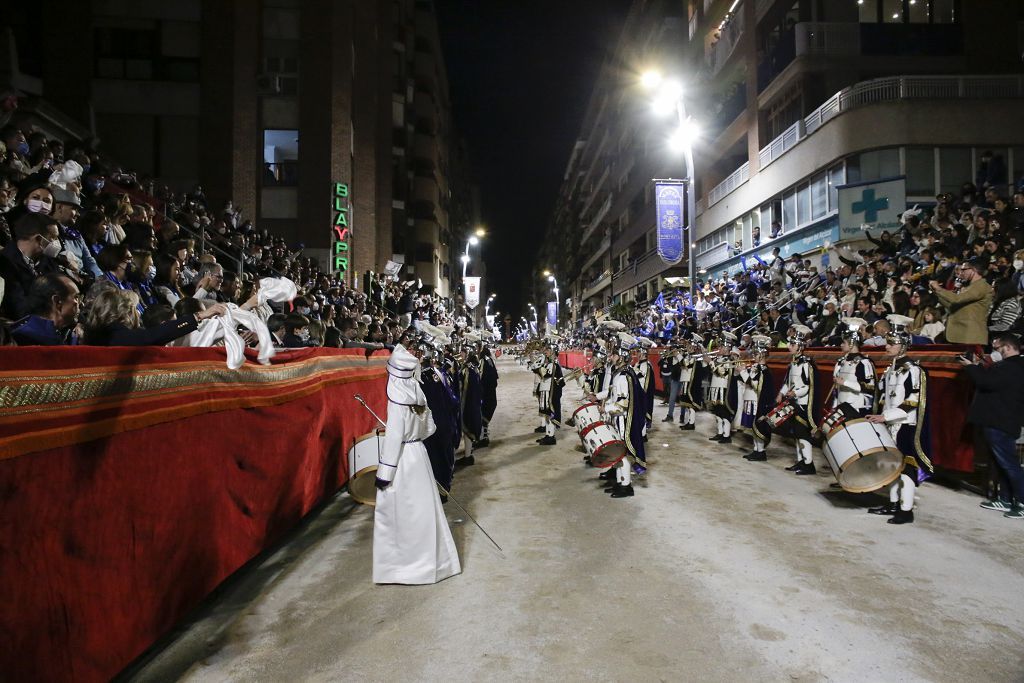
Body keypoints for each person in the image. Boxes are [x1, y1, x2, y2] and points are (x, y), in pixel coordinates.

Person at [373, 342, 461, 585]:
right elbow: (429, 428)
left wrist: (384, 473)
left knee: (400, 513)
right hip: (419, 453)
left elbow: (393, 439)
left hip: (402, 459)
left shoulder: (396, 400)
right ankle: (435, 563)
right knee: (425, 511)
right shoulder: (418, 394)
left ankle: (405, 568)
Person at [865, 315, 933, 525]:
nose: (887, 346)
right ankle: (893, 503)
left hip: (905, 425)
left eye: (892, 343)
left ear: (903, 345)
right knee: (891, 467)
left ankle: (906, 509)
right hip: (889, 424)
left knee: (907, 469)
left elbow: (913, 401)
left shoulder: (913, 370)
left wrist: (885, 416)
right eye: (888, 342)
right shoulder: (890, 371)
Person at [962, 333, 1024, 519]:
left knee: (1009, 464)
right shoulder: (1012, 366)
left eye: (997, 348)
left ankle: (1021, 501)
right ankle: (1005, 499)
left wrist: (971, 367)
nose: (995, 352)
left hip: (1001, 422)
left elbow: (986, 382)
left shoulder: (1011, 367)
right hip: (999, 421)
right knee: (1000, 463)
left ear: (1007, 347)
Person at [82, 288, 226, 345]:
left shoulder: (92, 335)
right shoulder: (116, 336)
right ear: (123, 312)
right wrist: (199, 316)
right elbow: (152, 336)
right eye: (134, 308)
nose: (137, 313)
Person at [0, 212, 61, 318]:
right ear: (39, 239)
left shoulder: (49, 262)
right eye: (54, 238)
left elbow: (63, 291)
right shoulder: (5, 263)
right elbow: (19, 309)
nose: (57, 243)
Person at [929, 259, 993, 345]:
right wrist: (936, 293)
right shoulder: (969, 287)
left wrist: (939, 289)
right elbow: (952, 306)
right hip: (960, 335)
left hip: (971, 337)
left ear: (973, 270)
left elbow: (957, 299)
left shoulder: (982, 285)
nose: (960, 273)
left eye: (963, 270)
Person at [10, 273, 79, 345]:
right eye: (76, 297)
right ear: (58, 302)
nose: (81, 304)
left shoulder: (68, 337)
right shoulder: (23, 340)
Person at [739, 336, 775, 461]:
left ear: (762, 355)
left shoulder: (764, 371)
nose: (754, 355)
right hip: (750, 399)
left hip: (757, 401)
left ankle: (761, 451)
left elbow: (756, 386)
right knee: (752, 427)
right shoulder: (755, 367)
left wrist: (743, 373)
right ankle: (756, 450)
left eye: (756, 353)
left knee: (758, 426)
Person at [707, 333, 738, 444]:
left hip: (724, 390)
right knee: (717, 413)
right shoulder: (717, 358)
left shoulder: (731, 359)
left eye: (720, 347)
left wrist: (710, 362)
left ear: (727, 347)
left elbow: (722, 372)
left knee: (725, 414)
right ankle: (720, 433)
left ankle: (726, 435)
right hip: (715, 388)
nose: (718, 349)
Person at [533, 342, 563, 446]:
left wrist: (540, 368)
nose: (546, 352)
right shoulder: (547, 363)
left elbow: (548, 376)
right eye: (546, 350)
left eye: (548, 350)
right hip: (544, 391)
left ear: (553, 352)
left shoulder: (554, 365)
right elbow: (535, 368)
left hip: (549, 393)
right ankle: (547, 434)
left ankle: (551, 436)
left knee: (550, 414)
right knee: (546, 414)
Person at [477, 343, 499, 448]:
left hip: (485, 392)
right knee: (486, 416)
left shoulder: (482, 361)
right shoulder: (490, 360)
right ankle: (484, 437)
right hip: (492, 392)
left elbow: (479, 376)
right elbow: (495, 377)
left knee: (482, 415)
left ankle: (483, 438)